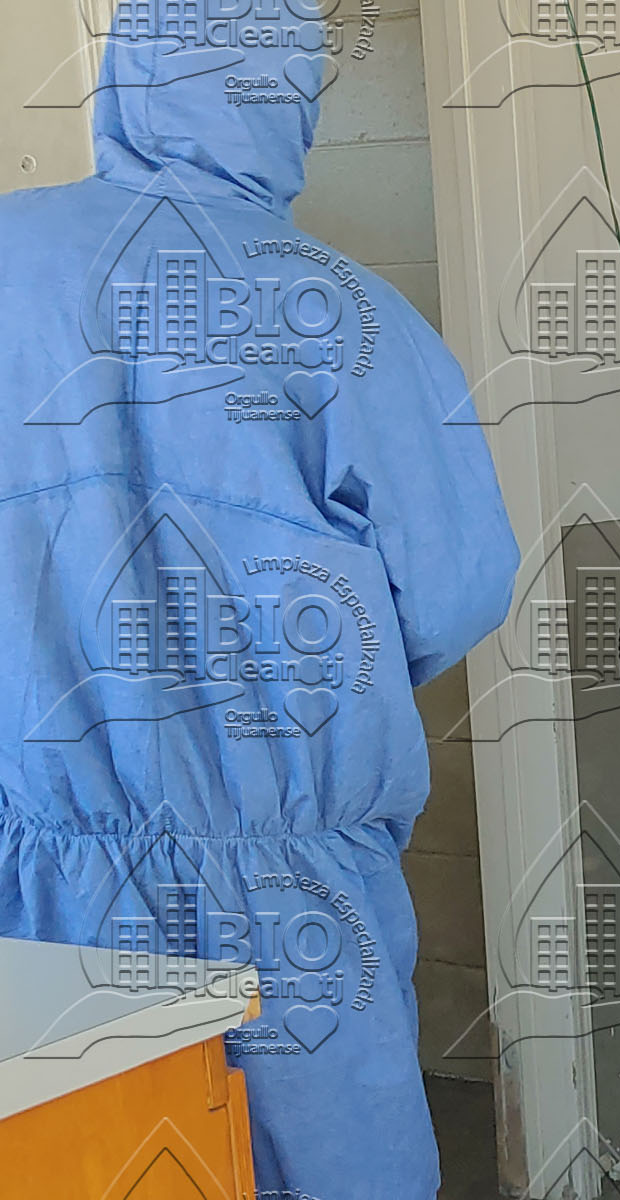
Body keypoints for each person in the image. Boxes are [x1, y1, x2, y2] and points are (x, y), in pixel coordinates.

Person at [0, 9, 517, 1199]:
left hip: (39, 866)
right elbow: (456, 590)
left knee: (80, 1161)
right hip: (288, 882)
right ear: (286, 95)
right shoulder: (350, 315)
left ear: (129, 77)